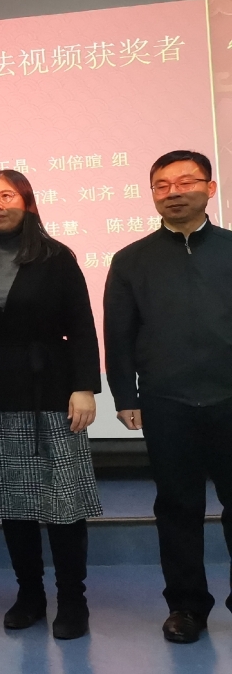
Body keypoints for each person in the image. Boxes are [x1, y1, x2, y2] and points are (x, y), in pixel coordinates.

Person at [0, 170, 101, 641]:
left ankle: (73, 600)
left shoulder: (57, 257)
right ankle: (30, 595)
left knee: (63, 503)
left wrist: (84, 386)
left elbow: (81, 325)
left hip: (53, 391)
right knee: (13, 502)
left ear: (28, 202)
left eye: (6, 196)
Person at [105, 149, 232, 644]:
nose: (174, 192)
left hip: (229, 398)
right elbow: (119, 336)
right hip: (166, 402)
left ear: (210, 189)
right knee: (177, 508)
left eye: (186, 182)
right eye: (162, 185)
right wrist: (125, 394)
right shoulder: (131, 260)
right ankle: (186, 606)